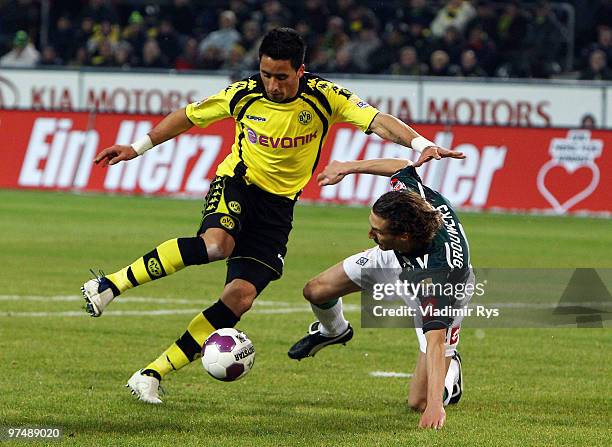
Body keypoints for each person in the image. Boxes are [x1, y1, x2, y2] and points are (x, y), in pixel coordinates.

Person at [82, 27, 464, 404]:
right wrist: (137, 147)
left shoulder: (325, 97)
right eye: (266, 75)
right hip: (239, 184)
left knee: (240, 298)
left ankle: (151, 374)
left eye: (281, 76)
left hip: (278, 209)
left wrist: (421, 143)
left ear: (301, 70)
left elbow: (378, 120)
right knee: (216, 245)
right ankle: (109, 285)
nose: (272, 85)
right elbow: (188, 116)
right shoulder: (243, 94)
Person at [288, 157, 473, 430]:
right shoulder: (411, 198)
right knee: (315, 290)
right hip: (392, 258)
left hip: (437, 289)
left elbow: (434, 340)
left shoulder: (439, 275)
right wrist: (347, 166)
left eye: (377, 231)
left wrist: (436, 405)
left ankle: (450, 375)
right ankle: (334, 330)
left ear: (404, 235)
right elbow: (401, 165)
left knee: (419, 402)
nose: (369, 234)